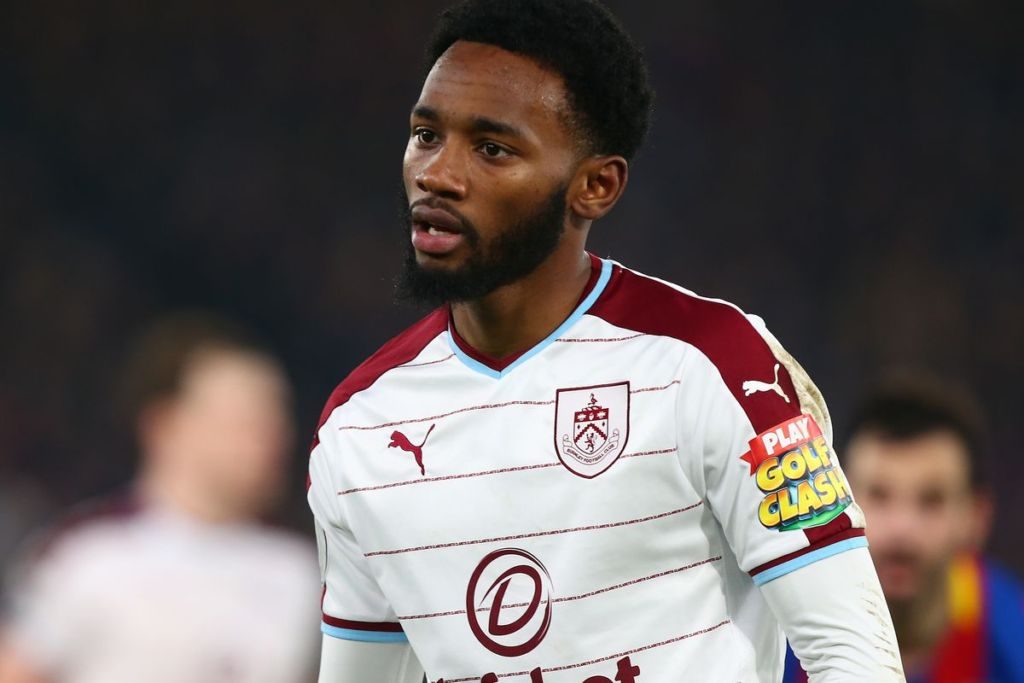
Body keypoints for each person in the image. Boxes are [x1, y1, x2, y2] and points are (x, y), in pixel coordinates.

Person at [307, 1, 904, 681]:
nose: (437, 174)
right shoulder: (359, 427)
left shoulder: (715, 365)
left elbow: (855, 657)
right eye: (425, 134)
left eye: (492, 148)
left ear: (595, 186)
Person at [0, 312, 321, 683]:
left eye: (275, 419)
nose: (268, 438)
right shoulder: (86, 556)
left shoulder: (301, 572)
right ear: (164, 425)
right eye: (242, 419)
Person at [784, 375, 1024, 683]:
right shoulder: (777, 625)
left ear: (976, 519)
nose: (902, 528)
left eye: (932, 500)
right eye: (879, 495)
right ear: (832, 501)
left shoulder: (1012, 635)